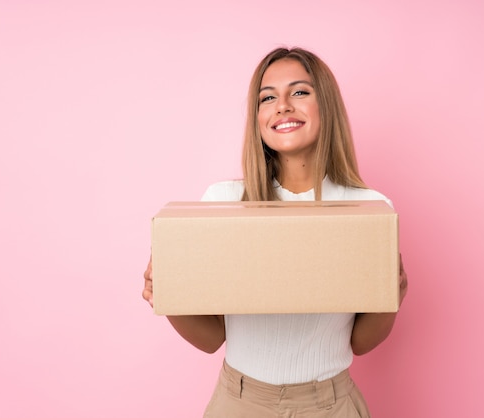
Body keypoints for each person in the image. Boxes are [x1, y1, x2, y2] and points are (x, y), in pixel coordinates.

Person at [142, 47, 408, 417]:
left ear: (325, 105)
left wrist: (392, 296)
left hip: (330, 404)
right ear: (258, 117)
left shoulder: (369, 208)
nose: (282, 106)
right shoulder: (223, 202)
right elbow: (212, 338)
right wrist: (167, 298)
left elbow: (360, 342)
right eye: (267, 98)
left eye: (299, 92)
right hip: (240, 402)